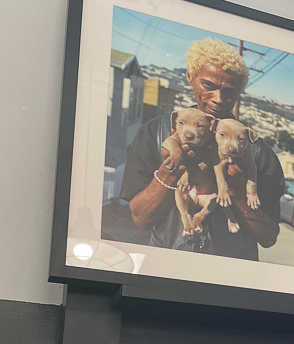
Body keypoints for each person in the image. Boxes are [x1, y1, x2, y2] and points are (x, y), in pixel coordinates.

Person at [117, 38, 283, 259]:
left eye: (230, 91)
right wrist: (172, 168)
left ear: (238, 93)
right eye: (208, 85)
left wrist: (236, 189)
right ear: (190, 77)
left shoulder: (256, 151)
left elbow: (269, 237)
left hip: (229, 275)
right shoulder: (156, 133)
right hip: (167, 266)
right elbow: (140, 218)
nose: (218, 99)